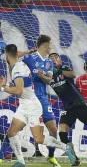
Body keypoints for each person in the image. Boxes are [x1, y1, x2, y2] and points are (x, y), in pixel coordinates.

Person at [0, 44, 73, 167]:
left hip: (32, 106)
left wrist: (3, 87)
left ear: (7, 55)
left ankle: (66, 148)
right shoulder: (17, 65)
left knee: (39, 138)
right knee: (12, 132)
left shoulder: (18, 68)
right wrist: (6, 85)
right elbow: (20, 89)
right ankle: (21, 162)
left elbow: (18, 91)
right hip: (24, 105)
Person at [20, 35, 62, 166]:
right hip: (29, 98)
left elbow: (49, 80)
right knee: (16, 128)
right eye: (49, 45)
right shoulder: (29, 58)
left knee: (53, 130)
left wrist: (42, 76)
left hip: (43, 99)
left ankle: (50, 156)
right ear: (44, 45)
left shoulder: (49, 62)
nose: (51, 47)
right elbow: (13, 62)